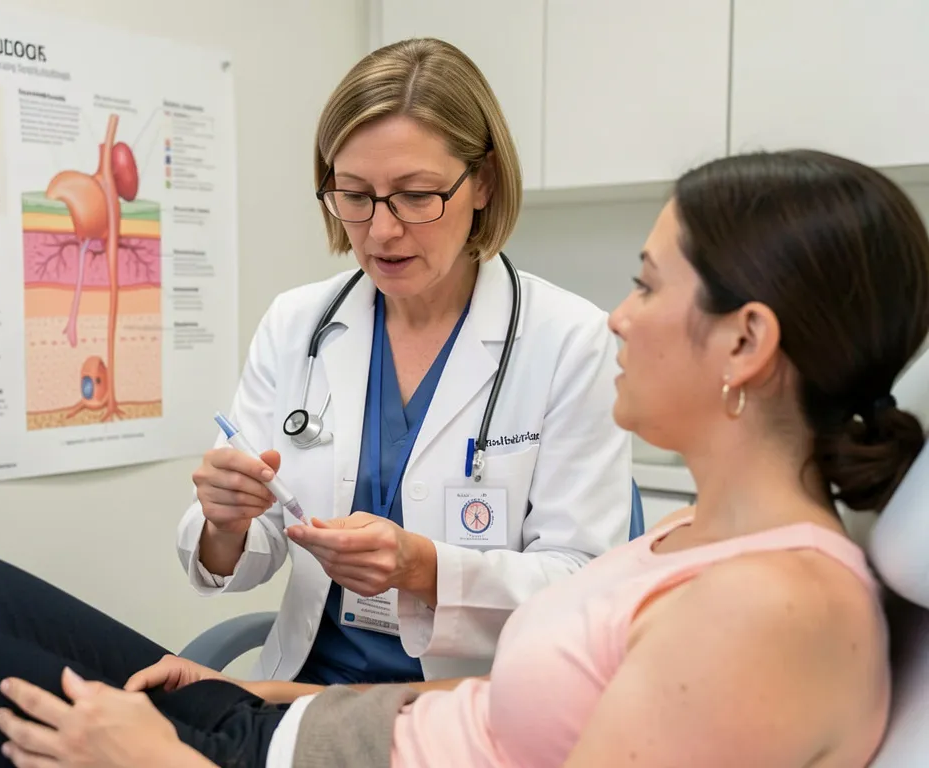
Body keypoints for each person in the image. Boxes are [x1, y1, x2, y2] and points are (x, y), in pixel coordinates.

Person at [0, 158, 924, 767]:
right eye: (350, 195)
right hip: (303, 717)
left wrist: (154, 761)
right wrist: (261, 643)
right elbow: (507, 711)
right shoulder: (705, 533)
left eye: (648, 284)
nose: (622, 314)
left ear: (746, 339)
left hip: (274, 755)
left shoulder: (771, 610)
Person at [177, 36, 630, 687]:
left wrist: (424, 568)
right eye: (354, 195)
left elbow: (585, 585)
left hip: (460, 710)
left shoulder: (569, 341)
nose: (381, 232)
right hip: (295, 691)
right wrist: (226, 522)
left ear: (484, 182)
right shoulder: (297, 324)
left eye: (416, 195)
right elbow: (247, 553)